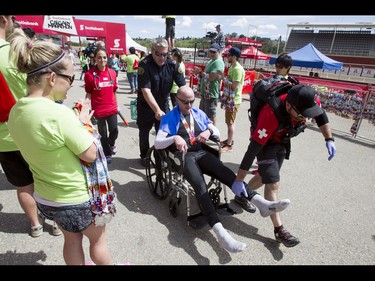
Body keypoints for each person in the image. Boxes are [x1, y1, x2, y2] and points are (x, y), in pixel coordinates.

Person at [7, 31, 115, 265]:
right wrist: (84, 123)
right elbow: (89, 153)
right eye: (69, 79)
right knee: (98, 242)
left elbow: (46, 142)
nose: (70, 87)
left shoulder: (16, 112)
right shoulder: (59, 113)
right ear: (52, 78)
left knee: (72, 241)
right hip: (77, 198)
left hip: (47, 198)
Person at [154, 85, 291, 253]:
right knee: (200, 187)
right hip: (185, 157)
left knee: (226, 172)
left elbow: (215, 129)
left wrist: (207, 130)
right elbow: (158, 143)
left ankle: (260, 203)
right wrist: (174, 137)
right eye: (185, 103)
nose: (189, 106)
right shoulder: (170, 117)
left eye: (191, 101)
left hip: (202, 152)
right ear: (177, 100)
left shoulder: (197, 113)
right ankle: (220, 233)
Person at [233, 84, 337, 248]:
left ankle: (242, 196)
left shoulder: (308, 100)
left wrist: (329, 139)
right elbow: (253, 149)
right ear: (288, 105)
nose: (306, 119)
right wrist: (238, 180)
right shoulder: (271, 114)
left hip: (282, 138)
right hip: (266, 142)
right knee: (272, 183)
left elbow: (321, 116)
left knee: (264, 175)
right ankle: (279, 230)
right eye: (302, 115)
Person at [0, 15, 61, 238]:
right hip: (35, 129)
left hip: (3, 137)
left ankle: (35, 224)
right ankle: (55, 222)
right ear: (6, 19)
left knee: (23, 184)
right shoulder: (19, 51)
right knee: (47, 178)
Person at [137, 38, 186, 167]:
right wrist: (157, 110)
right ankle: (144, 155)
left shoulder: (172, 65)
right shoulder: (144, 64)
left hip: (163, 104)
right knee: (144, 131)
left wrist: (187, 102)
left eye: (165, 54)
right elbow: (146, 91)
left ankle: (161, 156)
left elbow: (183, 87)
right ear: (152, 51)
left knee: (164, 132)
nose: (162, 58)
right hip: (146, 105)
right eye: (158, 54)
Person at [84, 47, 119, 164]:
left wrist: (117, 104)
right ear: (95, 59)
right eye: (99, 57)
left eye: (104, 57)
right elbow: (88, 93)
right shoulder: (89, 75)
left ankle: (111, 144)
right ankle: (107, 153)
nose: (102, 60)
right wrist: (85, 109)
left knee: (114, 131)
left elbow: (114, 90)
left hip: (112, 108)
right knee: (102, 133)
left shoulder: (112, 73)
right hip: (98, 110)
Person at [217, 47, 245, 154]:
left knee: (230, 123)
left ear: (234, 57)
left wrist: (223, 79)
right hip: (230, 99)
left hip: (234, 100)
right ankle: (229, 140)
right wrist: (223, 77)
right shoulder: (233, 67)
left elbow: (234, 86)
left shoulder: (237, 69)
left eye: (229, 55)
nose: (227, 57)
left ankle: (229, 144)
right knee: (229, 122)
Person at [193, 43, 224, 126]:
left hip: (211, 94)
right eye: (211, 51)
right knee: (202, 113)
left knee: (211, 115)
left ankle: (213, 133)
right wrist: (199, 72)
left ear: (218, 52)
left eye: (214, 52)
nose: (212, 53)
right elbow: (206, 75)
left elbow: (211, 77)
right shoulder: (211, 61)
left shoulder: (218, 62)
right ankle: (204, 130)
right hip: (206, 93)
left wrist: (200, 72)